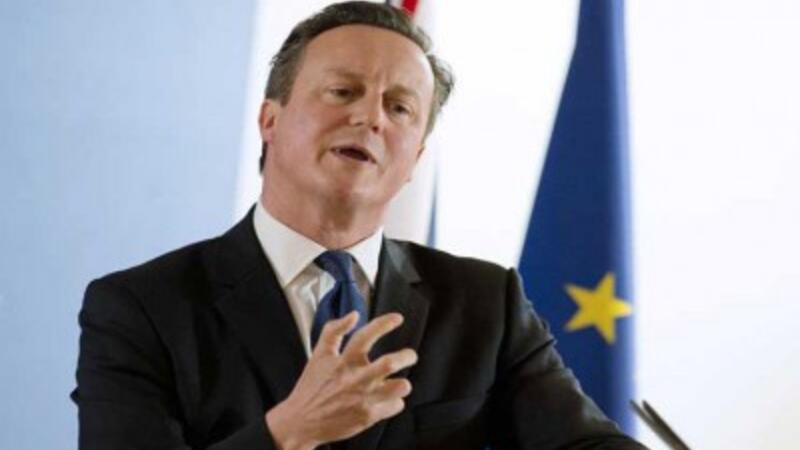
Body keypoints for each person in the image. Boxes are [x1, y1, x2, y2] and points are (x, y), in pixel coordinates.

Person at [72, 2, 647, 449]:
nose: (370, 117)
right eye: (343, 91)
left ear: (415, 159)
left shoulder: (485, 302)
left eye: (399, 108)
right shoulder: (141, 308)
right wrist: (287, 432)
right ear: (270, 120)